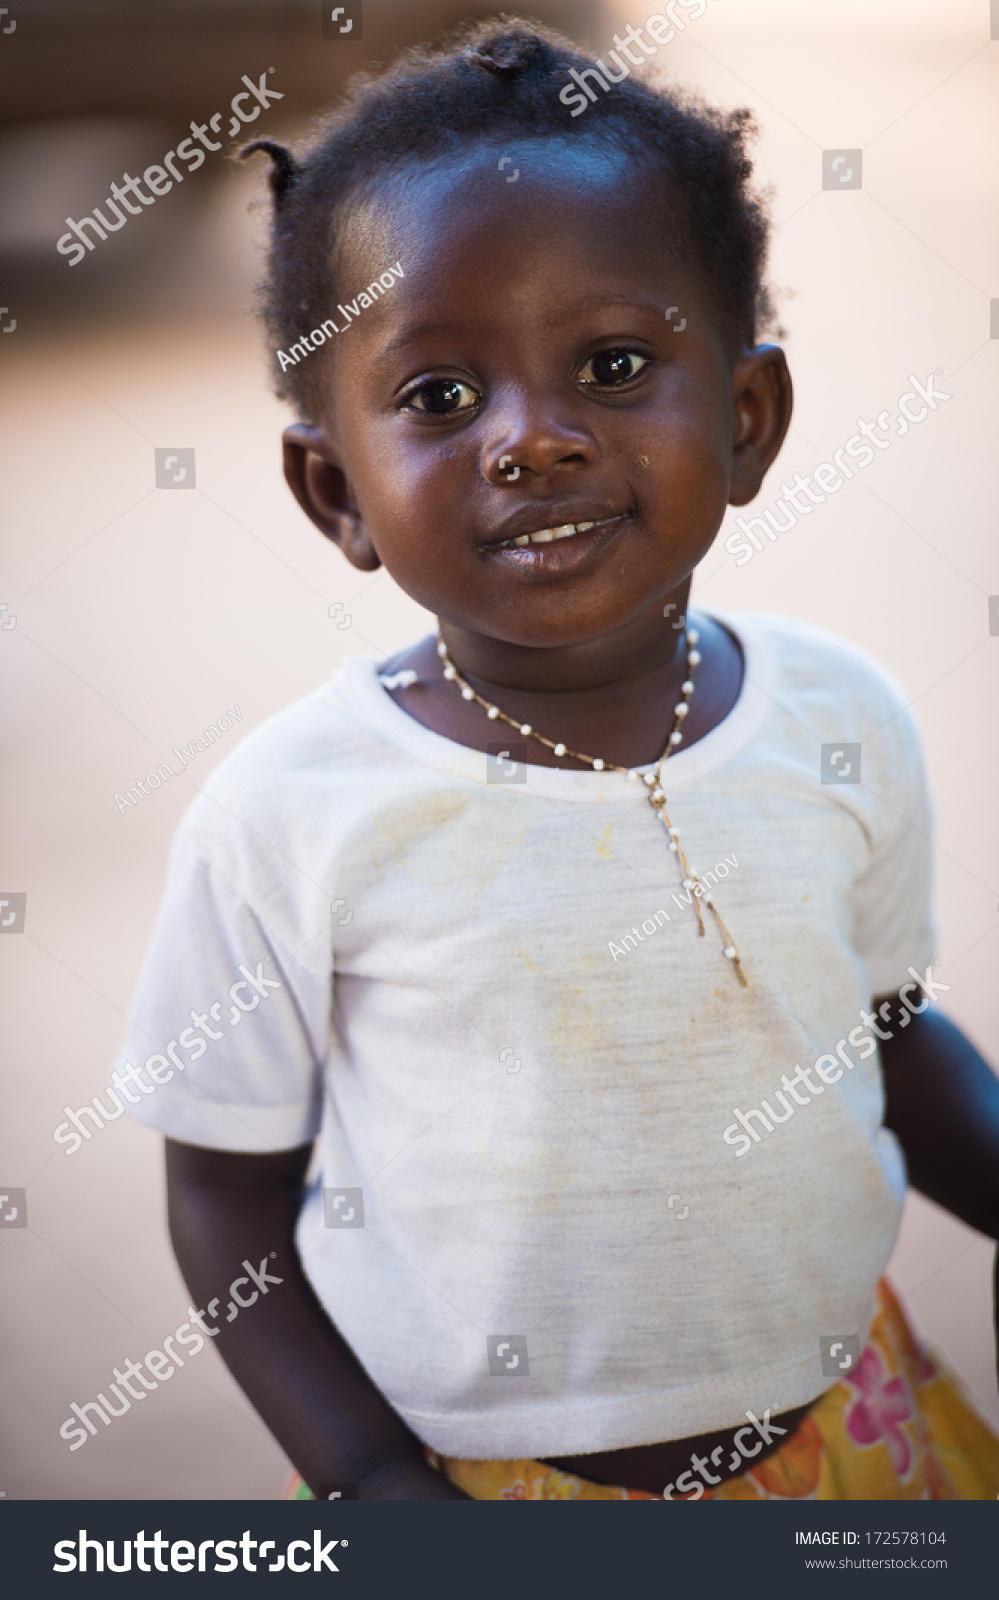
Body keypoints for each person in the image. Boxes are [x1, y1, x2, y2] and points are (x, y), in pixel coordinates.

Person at [116, 20, 999, 1501]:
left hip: (853, 1451)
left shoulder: (841, 722)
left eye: (610, 363)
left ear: (747, 417)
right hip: (479, 1493)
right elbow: (220, 1188)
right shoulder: (296, 809)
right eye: (441, 397)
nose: (532, 442)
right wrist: (369, 1487)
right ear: (334, 490)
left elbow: (890, 1034)